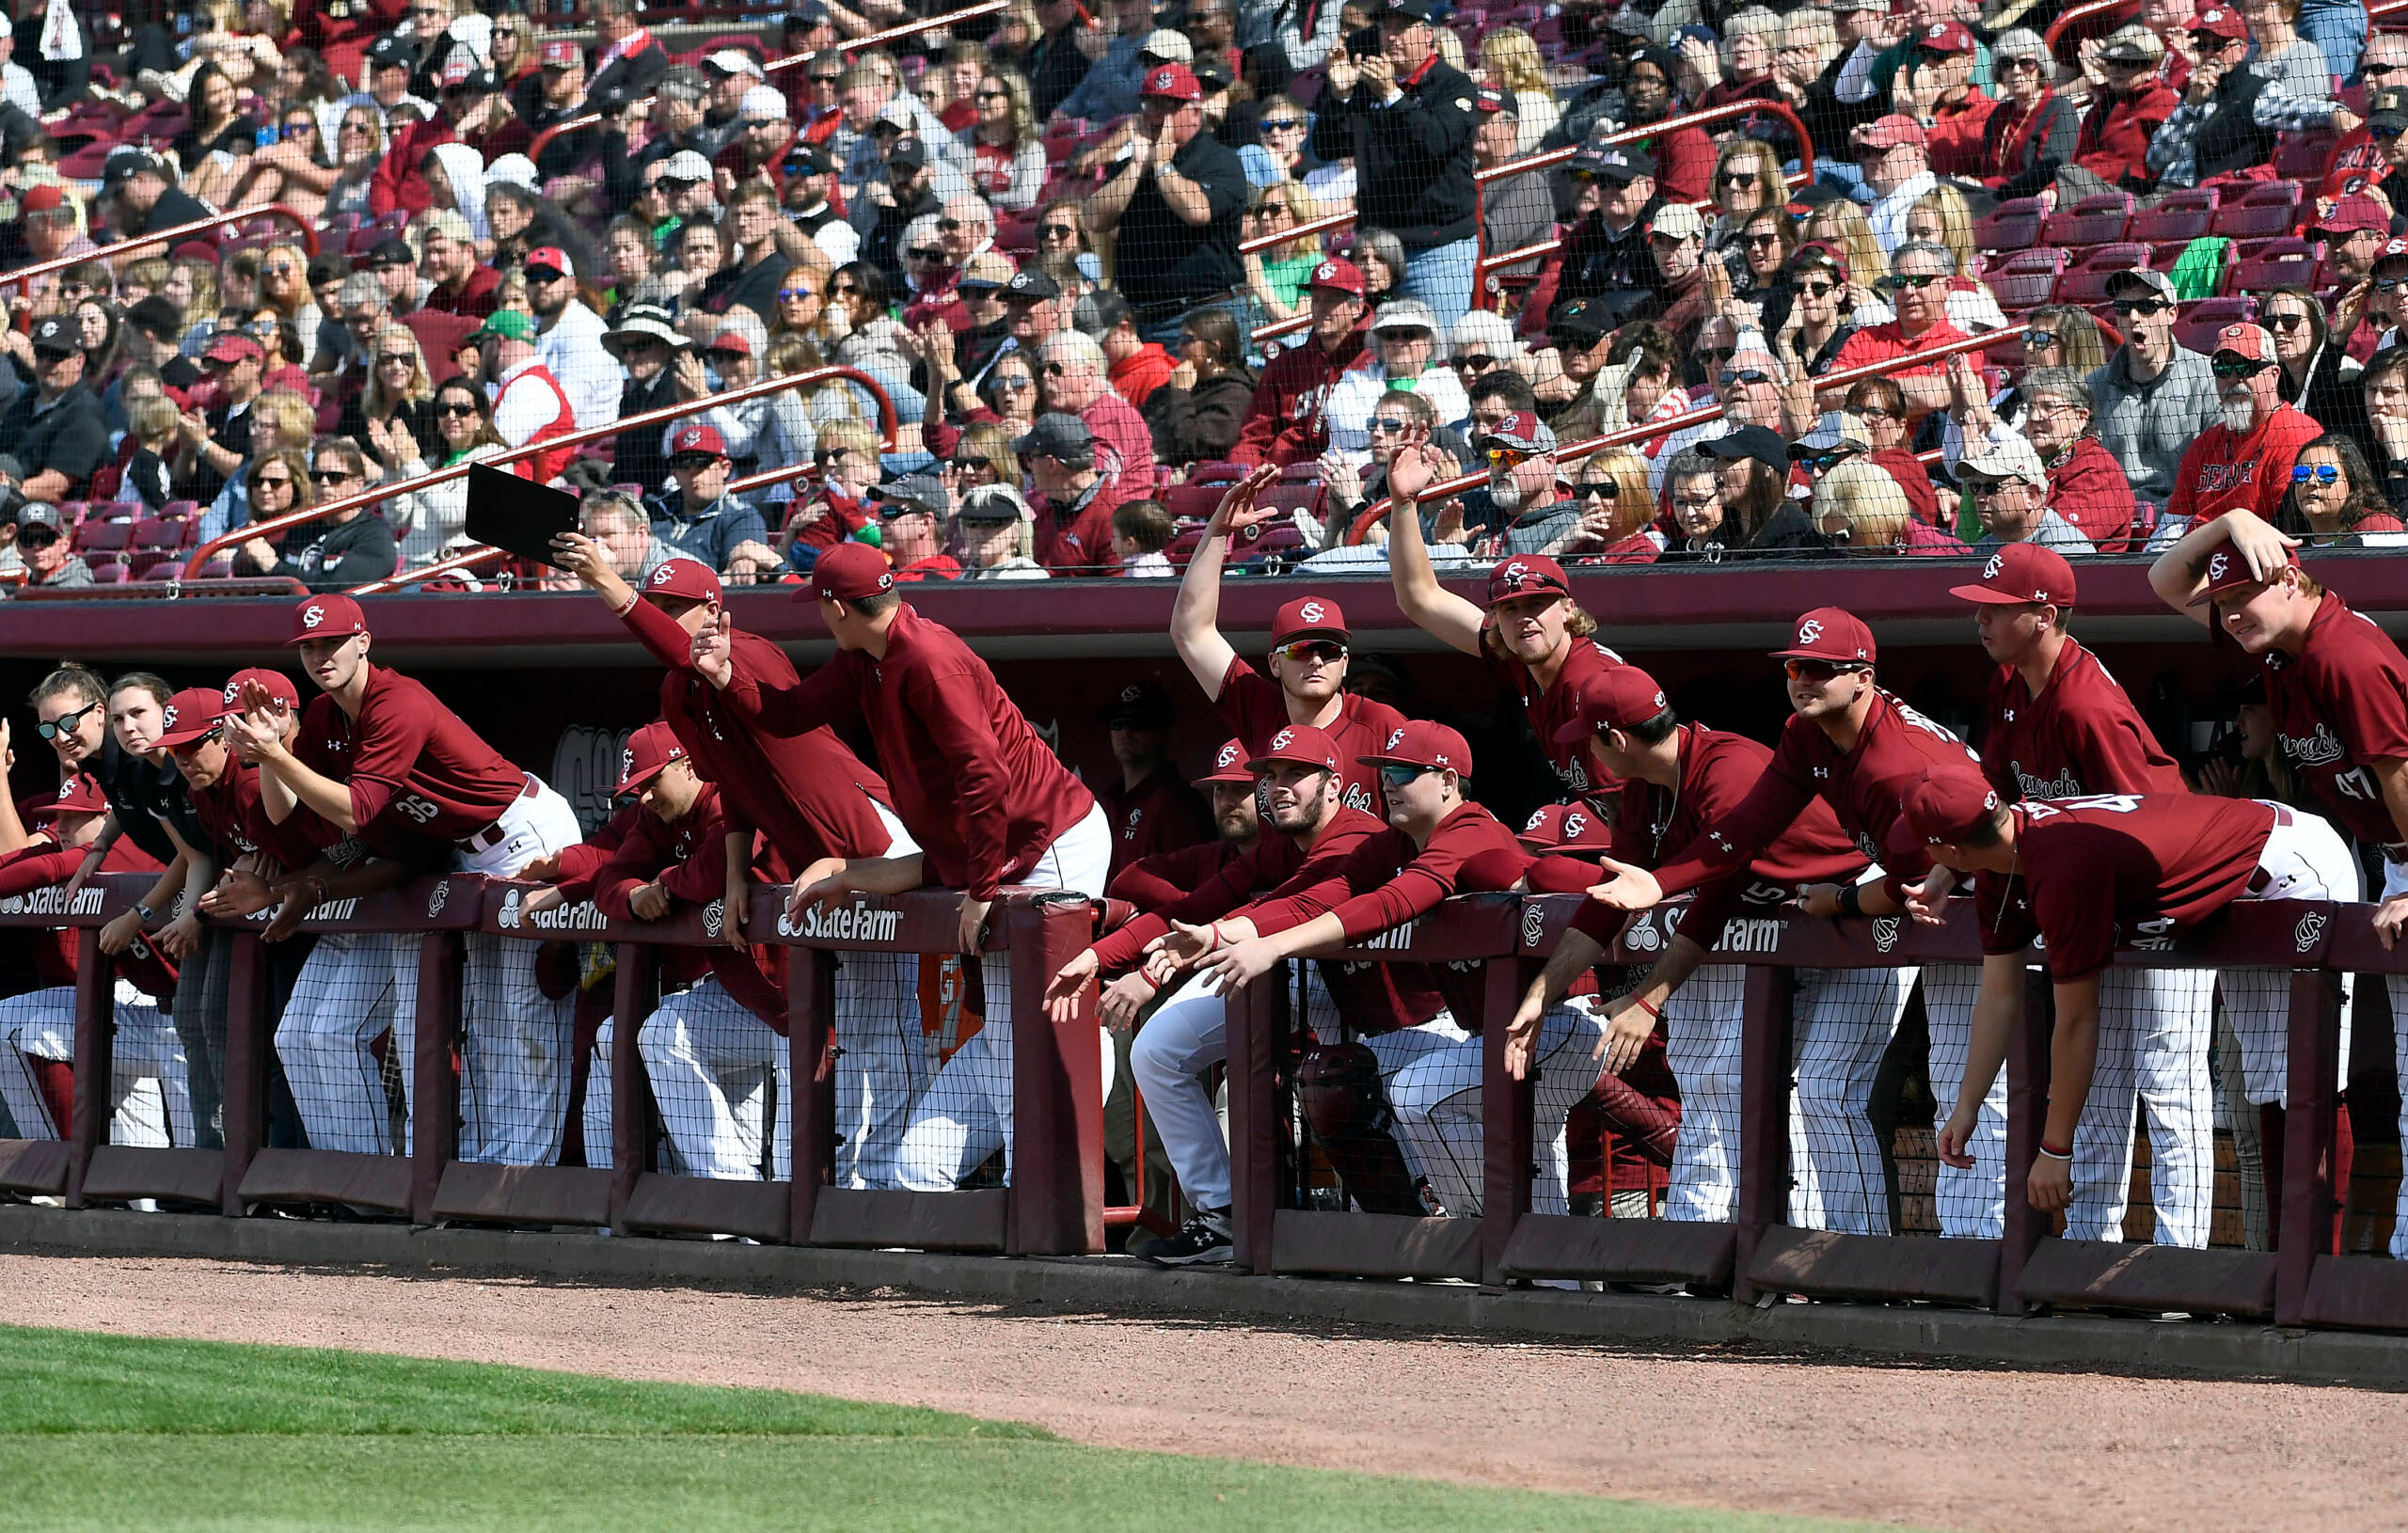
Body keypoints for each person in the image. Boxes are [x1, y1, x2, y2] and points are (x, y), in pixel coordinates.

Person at [689, 542, 1108, 1192]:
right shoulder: (866, 656)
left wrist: (981, 888)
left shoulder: (928, 660)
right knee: (1002, 1017)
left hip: (1050, 838)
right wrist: (724, 674)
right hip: (995, 847)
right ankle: (1022, 1180)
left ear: (837, 607)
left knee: (1014, 1011)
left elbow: (985, 778)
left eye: (820, 604)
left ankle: (1044, 1184)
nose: (817, 616)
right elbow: (788, 714)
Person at [1580, 608, 1970, 1234]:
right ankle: (1821, 1257)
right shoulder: (1806, 734)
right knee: (1812, 1089)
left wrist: (1841, 905)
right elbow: (1743, 832)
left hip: (1972, 889)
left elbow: (1910, 883)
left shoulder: (1893, 761)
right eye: (1795, 667)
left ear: (1864, 678)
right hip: (1892, 890)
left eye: (1820, 669)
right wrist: (1660, 880)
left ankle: (1871, 1266)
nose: (1803, 679)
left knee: (1967, 1095)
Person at [550, 545, 924, 1188]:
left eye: (680, 608)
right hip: (818, 855)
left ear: (715, 611)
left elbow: (682, 653)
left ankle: (890, 1199)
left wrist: (608, 583)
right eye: (659, 606)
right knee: (857, 1034)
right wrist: (730, 881)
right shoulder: (678, 693)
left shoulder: (747, 651)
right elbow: (734, 790)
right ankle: (819, 1198)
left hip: (868, 835)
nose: (668, 618)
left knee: (882, 1038)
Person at [1187, 719, 1608, 1219]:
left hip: (1558, 1020)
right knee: (1525, 1159)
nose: (1388, 782)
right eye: (1384, 770)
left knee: (1419, 1092)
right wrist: (1225, 931)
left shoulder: (1471, 830)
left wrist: (1274, 947)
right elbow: (1326, 893)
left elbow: (1392, 902)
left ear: (1449, 782)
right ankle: (1547, 1273)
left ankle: (1468, 1235)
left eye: (1405, 771)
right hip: (1496, 1034)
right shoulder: (1400, 841)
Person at [1914, 770, 2356, 1237]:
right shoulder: (2002, 866)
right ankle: (2287, 1264)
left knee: (2309, 1082)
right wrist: (1967, 1107)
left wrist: (2055, 1149)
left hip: (2293, 865)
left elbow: (2077, 1022)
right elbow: (1999, 994)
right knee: (2269, 1083)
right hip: (2235, 870)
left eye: (1928, 847)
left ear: (1952, 851)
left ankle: (2317, 1275)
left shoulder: (2059, 866)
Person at [223, 595, 584, 1166]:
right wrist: (273, 757)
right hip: (463, 850)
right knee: (482, 1022)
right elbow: (288, 817)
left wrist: (276, 755)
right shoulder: (322, 716)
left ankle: (527, 1175)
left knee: (524, 1012)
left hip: (521, 832)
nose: (320, 656)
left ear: (363, 642)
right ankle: (483, 1165)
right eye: (309, 647)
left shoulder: (397, 701)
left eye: (332, 643)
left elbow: (359, 811)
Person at [1919, 543, 2206, 1243]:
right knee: (2102, 1086)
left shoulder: (2084, 705)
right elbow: (1993, 801)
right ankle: (2088, 1250)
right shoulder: (2011, 685)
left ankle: (2185, 1261)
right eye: (1980, 609)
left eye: (1996, 610)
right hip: (2101, 901)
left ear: (2044, 616)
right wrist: (1947, 869)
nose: (1980, 621)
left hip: (2172, 895)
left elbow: (2147, 827)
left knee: (2169, 1088)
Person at [1506, 665, 1865, 1224]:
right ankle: (1755, 1241)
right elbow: (1608, 902)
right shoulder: (1643, 794)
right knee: (1728, 1079)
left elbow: (1718, 891)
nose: (1589, 756)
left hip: (1858, 909)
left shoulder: (1727, 768)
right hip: (1783, 922)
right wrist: (1541, 993)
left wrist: (1649, 999)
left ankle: (1851, 1260)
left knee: (1826, 1090)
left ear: (1617, 740)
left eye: (1591, 741)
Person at [2151, 514, 2408, 1256]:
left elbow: (2401, 776)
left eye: (2245, 599)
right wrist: (2229, 520)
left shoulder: (2342, 654)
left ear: (2292, 578)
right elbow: (2163, 582)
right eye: (2222, 605)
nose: (2231, 617)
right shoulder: (2283, 653)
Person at [1386, 429, 1624, 804]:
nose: (1524, 618)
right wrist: (1404, 504)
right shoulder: (1521, 656)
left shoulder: (1594, 684)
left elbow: (1638, 803)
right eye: (1510, 608)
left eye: (1535, 604)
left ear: (1568, 609)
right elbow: (1420, 598)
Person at [1172, 471, 1406, 813]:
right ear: (1274, 663)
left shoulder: (1382, 723)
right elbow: (1191, 632)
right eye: (1300, 650)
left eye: (1327, 651)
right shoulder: (1260, 708)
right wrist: (1218, 532)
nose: (1315, 661)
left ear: (1344, 663)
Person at [1306, 0, 1480, 332]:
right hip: (1376, 254)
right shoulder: (1366, 85)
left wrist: (1392, 96)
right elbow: (1327, 147)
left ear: (1428, 34)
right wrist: (1339, 96)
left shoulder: (1453, 85)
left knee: (1434, 355)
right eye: (1387, 27)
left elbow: (1433, 144)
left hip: (1435, 250)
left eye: (1403, 27)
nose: (1392, 36)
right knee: (1372, 360)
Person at [1084, 63, 1248, 345]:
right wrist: (1138, 165)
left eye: (1169, 106)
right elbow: (1094, 218)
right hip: (1142, 319)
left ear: (1195, 113)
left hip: (1204, 316)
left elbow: (1197, 210)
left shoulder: (1220, 159)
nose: (1157, 115)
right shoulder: (1131, 167)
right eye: (1150, 104)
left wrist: (1161, 165)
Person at [2145, 6, 2357, 191]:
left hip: (2203, 203)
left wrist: (2334, 111)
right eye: (2202, 46)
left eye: (2218, 45)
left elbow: (2297, 108)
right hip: (2164, 194)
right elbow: (2155, 159)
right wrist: (2191, 104)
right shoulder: (2196, 91)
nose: (2209, 53)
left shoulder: (2255, 89)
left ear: (2241, 51)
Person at [2162, 322, 2321, 533]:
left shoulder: (2297, 434)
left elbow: (2285, 527)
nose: (2233, 378)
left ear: (2274, 375)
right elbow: (2172, 526)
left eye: (2246, 367)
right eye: (2223, 368)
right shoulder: (2204, 444)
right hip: (2198, 557)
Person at [2089, 268, 2224, 511]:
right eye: (2122, 308)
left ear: (2171, 314)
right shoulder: (2094, 387)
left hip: (2185, 516)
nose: (2133, 317)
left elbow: (2221, 468)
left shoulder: (2208, 379)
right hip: (2115, 520)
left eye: (2146, 307)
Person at [1229, 258, 1370, 466]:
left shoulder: (1373, 358)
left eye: (1331, 299)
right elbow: (1252, 438)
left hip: (1345, 474)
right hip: (1283, 480)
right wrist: (1248, 477)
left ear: (1357, 308)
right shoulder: (1287, 366)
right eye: (1316, 299)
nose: (1320, 308)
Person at [241, 438, 397, 591]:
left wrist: (274, 567)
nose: (323, 483)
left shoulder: (374, 535)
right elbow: (269, 576)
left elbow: (338, 587)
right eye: (316, 476)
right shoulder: (301, 527)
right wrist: (252, 558)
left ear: (358, 484)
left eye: (334, 477)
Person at [645, 424, 779, 583]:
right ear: (674, 473)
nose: (693, 471)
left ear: (725, 468)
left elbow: (735, 580)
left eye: (703, 461)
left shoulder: (742, 516)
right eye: (684, 463)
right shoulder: (651, 510)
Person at [0, 316, 107, 502]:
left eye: (56, 355)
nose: (45, 363)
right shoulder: (24, 402)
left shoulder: (86, 414)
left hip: (46, 519)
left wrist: (7, 493)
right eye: (41, 353)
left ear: (79, 361)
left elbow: (54, 486)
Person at [1015, 412, 1132, 574]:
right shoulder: (1047, 514)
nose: (1028, 467)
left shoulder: (1112, 521)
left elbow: (1116, 595)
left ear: (1050, 463)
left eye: (1030, 458)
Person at [1960, 434, 2097, 555]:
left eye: (1991, 488)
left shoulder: (2063, 548)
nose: (1979, 498)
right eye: (1975, 487)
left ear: (2032, 495)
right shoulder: (1985, 548)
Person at [2283, 434, 2407, 545]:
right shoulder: (2289, 545)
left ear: (2352, 483)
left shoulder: (2377, 527)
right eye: (2301, 474)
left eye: (2326, 474)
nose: (2310, 482)